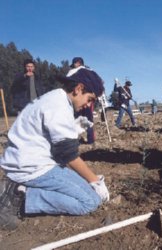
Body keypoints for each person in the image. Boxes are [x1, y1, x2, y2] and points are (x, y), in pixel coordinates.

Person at [0, 68, 110, 230]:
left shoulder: (55, 98)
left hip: (27, 160)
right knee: (90, 201)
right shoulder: (58, 106)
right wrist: (94, 181)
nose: (88, 104)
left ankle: (20, 190)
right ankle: (18, 197)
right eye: (90, 99)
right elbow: (68, 156)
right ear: (78, 88)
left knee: (84, 188)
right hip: (32, 167)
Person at [66, 57, 96, 144]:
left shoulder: (74, 73)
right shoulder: (90, 72)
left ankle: (76, 140)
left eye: (74, 64)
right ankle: (90, 140)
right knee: (88, 119)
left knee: (78, 119)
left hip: (79, 100)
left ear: (78, 63)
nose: (73, 66)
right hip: (85, 100)